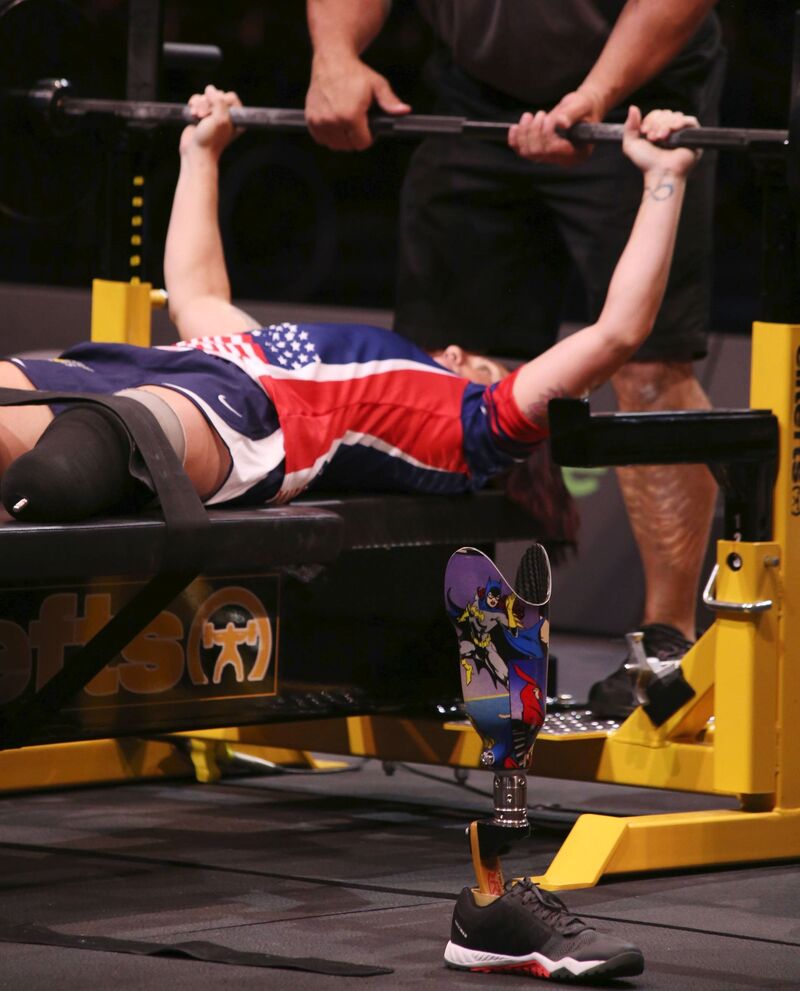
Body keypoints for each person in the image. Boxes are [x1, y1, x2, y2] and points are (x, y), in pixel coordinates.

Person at [0, 89, 699, 554]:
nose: (460, 351)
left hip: (246, 415)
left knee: (70, 467)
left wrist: (662, 180)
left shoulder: (476, 427)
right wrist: (201, 153)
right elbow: (196, 293)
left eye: (485, 365)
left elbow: (616, 333)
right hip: (165, 367)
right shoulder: (285, 350)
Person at [304, 0, 725, 711]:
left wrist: (595, 97)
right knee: (446, 367)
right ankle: (439, 636)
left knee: (649, 367)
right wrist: (335, 54)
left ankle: (667, 641)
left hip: (639, 89)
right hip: (478, 91)